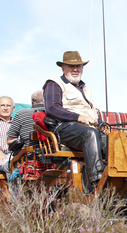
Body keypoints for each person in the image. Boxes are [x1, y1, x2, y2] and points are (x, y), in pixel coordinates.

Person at [43, 51, 108, 192]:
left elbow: (91, 111)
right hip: (65, 128)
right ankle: (97, 182)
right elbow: (52, 108)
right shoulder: (54, 83)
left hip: (88, 127)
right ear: (63, 68)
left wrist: (101, 123)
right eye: (71, 66)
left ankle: (117, 178)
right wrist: (79, 118)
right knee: (90, 134)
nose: (75, 69)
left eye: (78, 66)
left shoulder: (85, 88)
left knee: (114, 141)